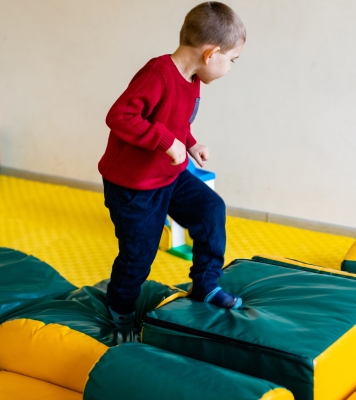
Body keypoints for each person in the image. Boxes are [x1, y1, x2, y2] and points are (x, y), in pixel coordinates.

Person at [98, 2, 246, 339]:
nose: (230, 68)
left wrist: (190, 142)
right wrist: (167, 142)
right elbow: (120, 116)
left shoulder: (192, 77)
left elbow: (174, 120)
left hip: (168, 175)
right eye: (232, 61)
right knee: (139, 255)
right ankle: (119, 310)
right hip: (133, 186)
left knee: (211, 209)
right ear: (211, 53)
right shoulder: (158, 74)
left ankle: (206, 284)